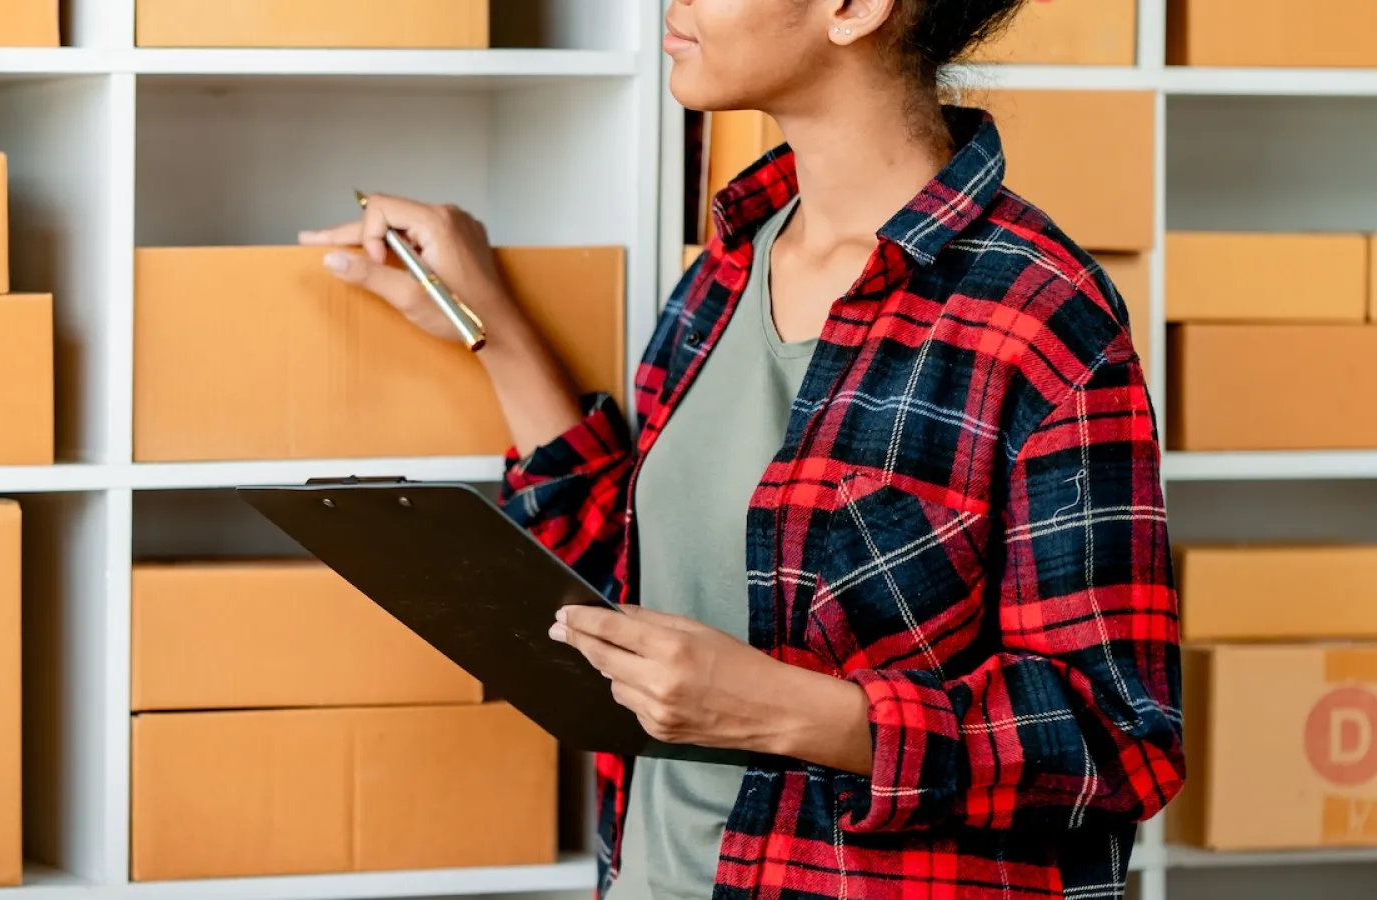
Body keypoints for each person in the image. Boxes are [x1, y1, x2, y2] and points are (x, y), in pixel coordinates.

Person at [300, 0, 1183, 896]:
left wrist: (791, 715)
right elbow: (624, 602)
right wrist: (492, 325)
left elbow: (1121, 744)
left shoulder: (1041, 318)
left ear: (852, 9)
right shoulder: (723, 272)